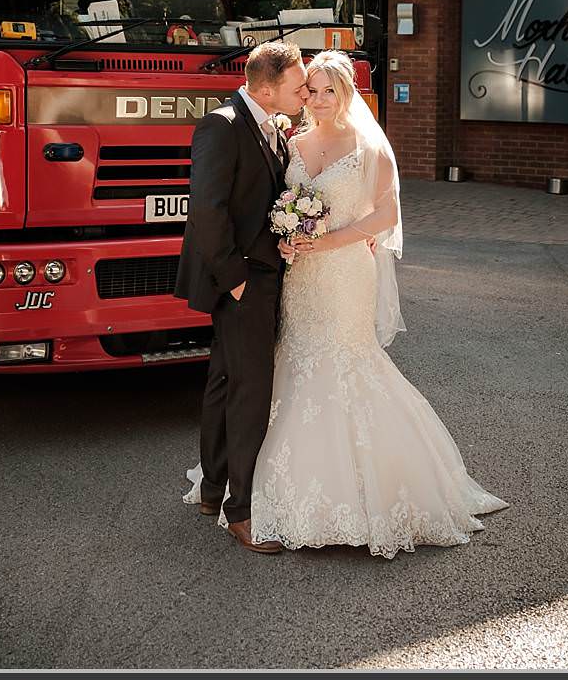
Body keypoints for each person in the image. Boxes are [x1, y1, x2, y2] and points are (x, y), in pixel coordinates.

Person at [193, 47, 507, 555]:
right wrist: (288, 240)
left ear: (346, 93)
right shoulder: (291, 142)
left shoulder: (369, 149)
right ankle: (239, 489)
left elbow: (385, 216)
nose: (315, 99)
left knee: (344, 364)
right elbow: (267, 208)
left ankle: (359, 488)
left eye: (325, 90)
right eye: (308, 90)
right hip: (297, 280)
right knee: (275, 370)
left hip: (342, 277)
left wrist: (330, 241)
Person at [177, 38, 307, 554]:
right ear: (267, 86)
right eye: (298, 86)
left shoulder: (271, 124)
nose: (303, 93)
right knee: (251, 391)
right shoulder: (222, 125)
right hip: (243, 279)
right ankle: (242, 513)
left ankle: (212, 490)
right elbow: (206, 210)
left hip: (259, 273)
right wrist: (236, 281)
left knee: (223, 381)